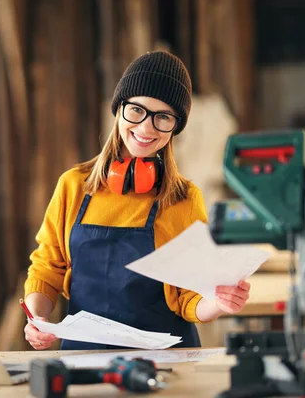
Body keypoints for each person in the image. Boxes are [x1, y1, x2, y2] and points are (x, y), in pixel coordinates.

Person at [23, 51, 251, 351]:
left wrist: (219, 303)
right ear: (119, 110)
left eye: (163, 117)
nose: (146, 128)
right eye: (137, 110)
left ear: (175, 127)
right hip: (83, 357)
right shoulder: (73, 186)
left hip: (166, 363)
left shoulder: (182, 199)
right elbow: (46, 269)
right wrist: (37, 318)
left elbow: (189, 298)